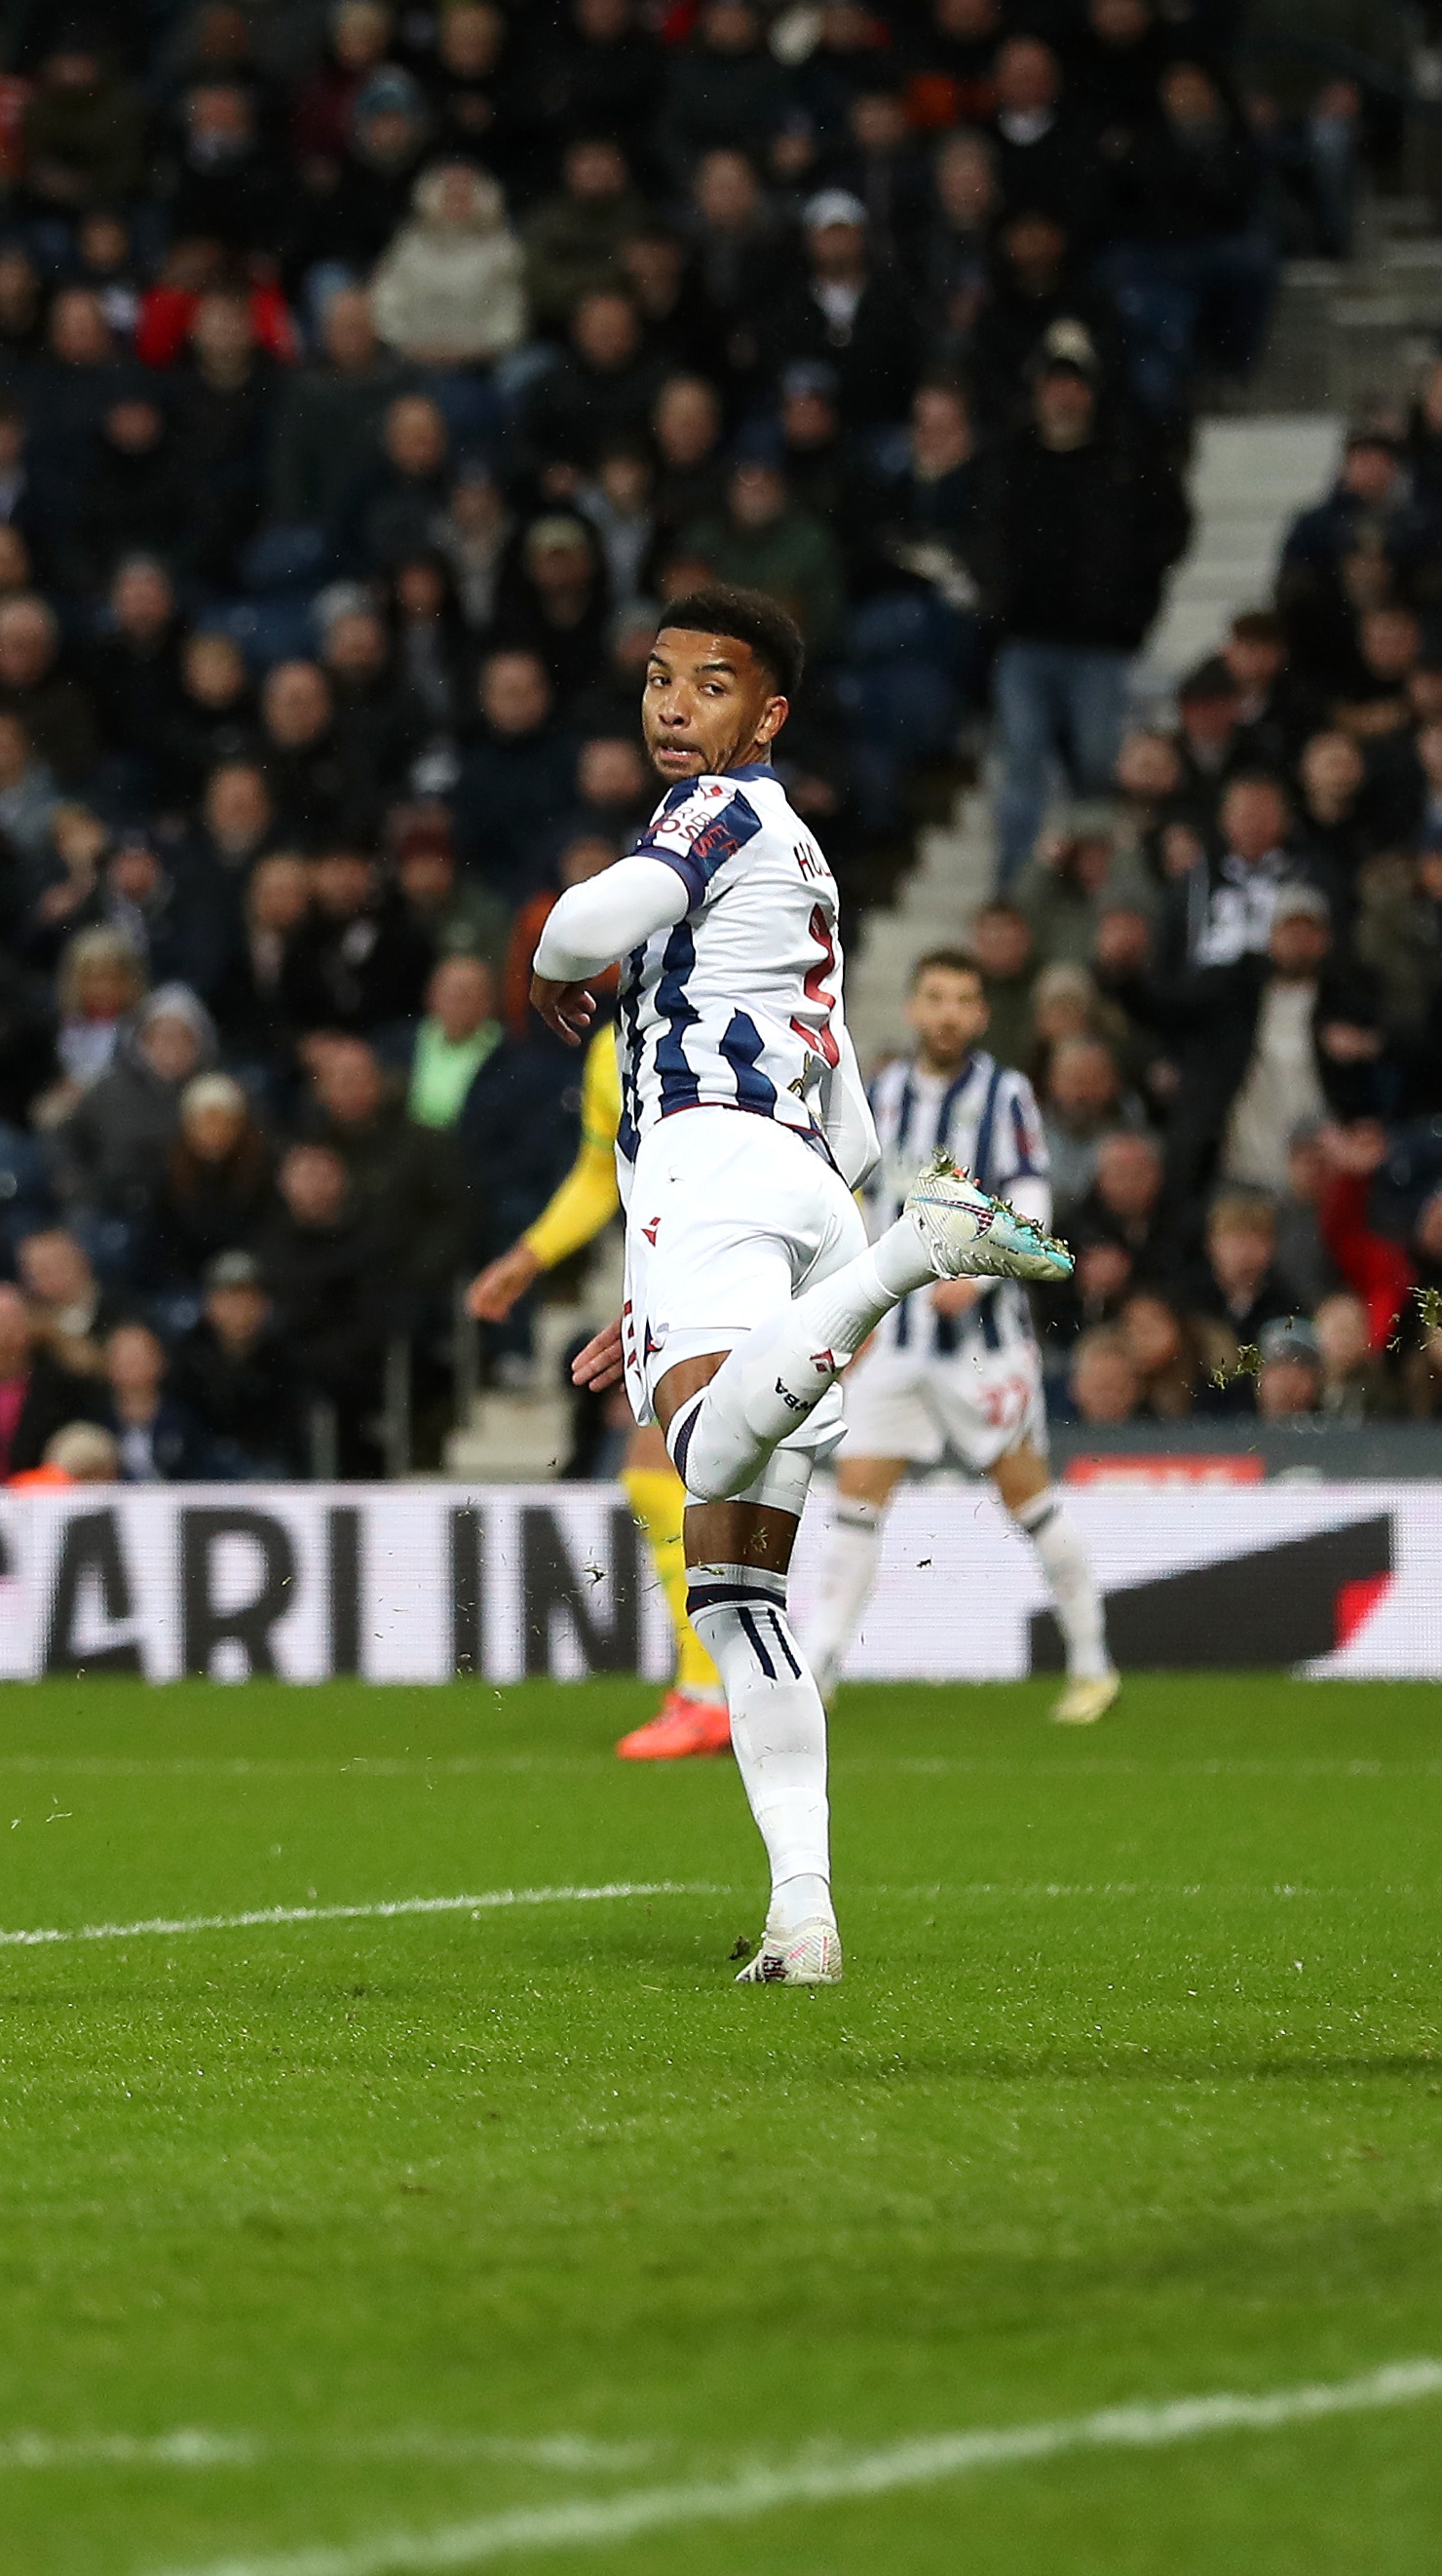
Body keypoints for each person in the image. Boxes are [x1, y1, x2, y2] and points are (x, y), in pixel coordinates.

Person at [531, 586, 1071, 1985]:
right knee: (737, 1601)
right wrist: (665, 1301)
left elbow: (592, 919)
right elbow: (847, 1121)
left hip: (718, 1160)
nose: (670, 706)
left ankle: (918, 1252)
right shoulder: (802, 864)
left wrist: (543, 964)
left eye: (708, 687)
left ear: (765, 717)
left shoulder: (718, 814)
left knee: (700, 1444)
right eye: (656, 679)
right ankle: (803, 1916)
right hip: (801, 1188)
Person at [782, 949, 1119, 1723]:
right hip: (894, 1342)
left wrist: (983, 1270)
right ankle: (822, 1666)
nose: (947, 1013)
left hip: (983, 1345)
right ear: (911, 1007)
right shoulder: (882, 1093)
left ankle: (1093, 1661)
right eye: (934, 997)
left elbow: (1032, 1195)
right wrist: (850, 1308)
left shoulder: (1005, 1094)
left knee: (1025, 1495)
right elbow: (855, 1202)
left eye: (963, 999)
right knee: (856, 1498)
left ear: (979, 1013)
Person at [459, 1012, 728, 1761]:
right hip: (675, 1277)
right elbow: (596, 1171)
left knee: (664, 1472)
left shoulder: (739, 1026)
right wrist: (529, 1255)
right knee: (677, 1477)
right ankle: (728, 1684)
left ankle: (712, 1694)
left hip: (741, 1270)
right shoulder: (613, 1049)